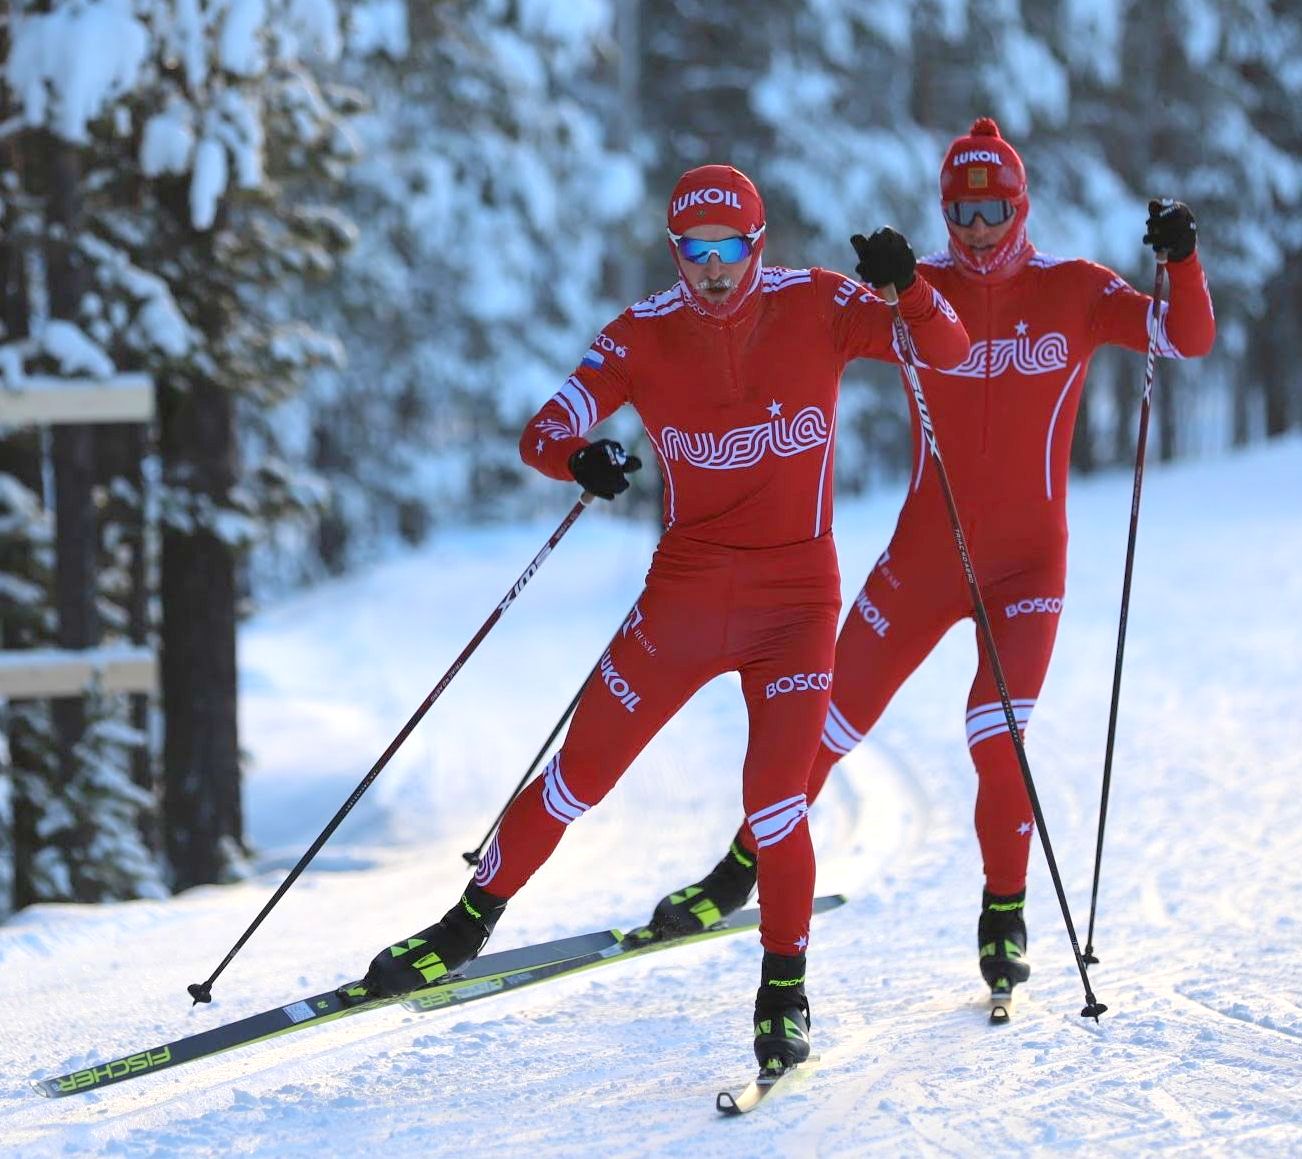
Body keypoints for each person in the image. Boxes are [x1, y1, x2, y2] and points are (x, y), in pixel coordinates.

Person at [357, 163, 970, 1069]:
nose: (714, 269)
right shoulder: (642, 333)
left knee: (775, 806)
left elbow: (949, 351)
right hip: (684, 599)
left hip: (796, 604)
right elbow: (542, 429)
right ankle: (463, 925)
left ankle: (784, 991)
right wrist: (579, 458)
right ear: (675, 252)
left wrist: (911, 289)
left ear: (759, 244)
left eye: (730, 250)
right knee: (579, 775)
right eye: (695, 251)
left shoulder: (821, 306)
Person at [646, 118, 1216, 1001]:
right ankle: (738, 869)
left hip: (1028, 568)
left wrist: (1181, 260)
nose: (979, 228)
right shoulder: (919, 293)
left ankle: (1003, 914)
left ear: (1020, 207)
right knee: (825, 727)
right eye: (962, 210)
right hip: (923, 559)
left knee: (996, 737)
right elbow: (793, 326)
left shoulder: (1071, 291)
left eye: (994, 209)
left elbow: (1185, 338)